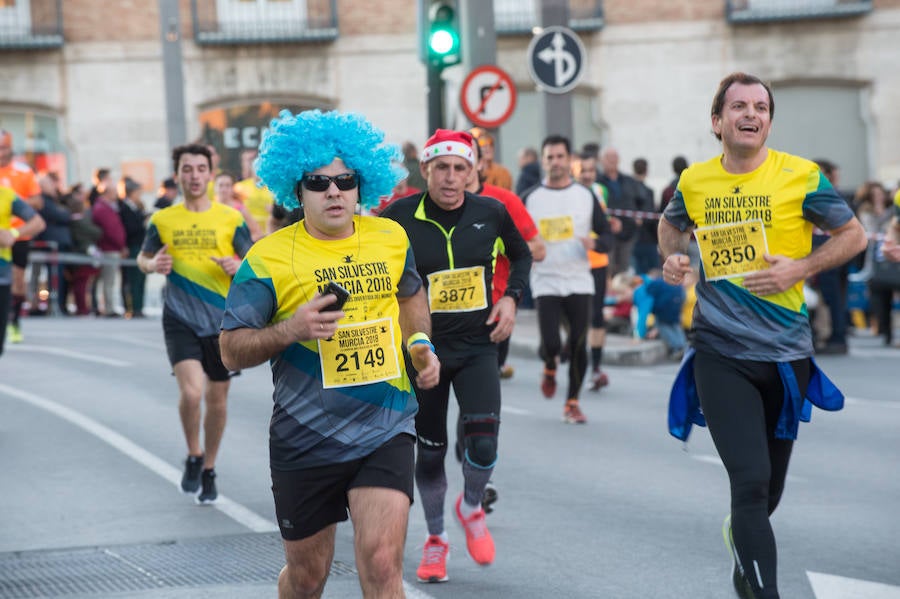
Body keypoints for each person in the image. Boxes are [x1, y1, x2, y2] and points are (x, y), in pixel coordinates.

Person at [659, 72, 867, 599]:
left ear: (769, 121)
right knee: (749, 482)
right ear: (717, 121)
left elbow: (854, 235)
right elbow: (669, 224)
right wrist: (674, 256)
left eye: (760, 107)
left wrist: (800, 268)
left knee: (766, 494)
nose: (750, 114)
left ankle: (741, 538)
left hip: (786, 356)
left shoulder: (801, 176)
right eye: (738, 106)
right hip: (719, 352)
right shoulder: (694, 181)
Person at [219, 109, 440, 599]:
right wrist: (291, 330)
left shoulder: (390, 237)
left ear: (362, 185)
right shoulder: (268, 258)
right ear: (297, 191)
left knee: (383, 564)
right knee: (307, 578)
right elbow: (231, 350)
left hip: (386, 425)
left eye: (345, 180)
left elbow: (409, 297)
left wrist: (420, 343)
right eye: (318, 182)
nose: (334, 191)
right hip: (305, 437)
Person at [381, 129, 532, 583]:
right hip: (424, 350)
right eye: (441, 168)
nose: (450, 178)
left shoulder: (492, 212)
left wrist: (511, 299)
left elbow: (521, 256)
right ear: (425, 169)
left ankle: (470, 507)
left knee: (483, 445)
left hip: (477, 345)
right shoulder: (398, 217)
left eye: (460, 168)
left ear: (474, 172)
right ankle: (436, 540)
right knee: (429, 455)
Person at [138, 143, 253, 505]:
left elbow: (253, 261)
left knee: (217, 399)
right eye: (187, 169)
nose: (194, 176)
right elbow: (142, 258)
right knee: (191, 393)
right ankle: (193, 453)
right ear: (178, 174)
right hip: (180, 316)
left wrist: (238, 267)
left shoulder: (230, 217)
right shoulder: (163, 220)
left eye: (201, 168)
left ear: (210, 173)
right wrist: (152, 264)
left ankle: (210, 467)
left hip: (220, 320)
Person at [522, 135, 614, 423]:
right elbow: (515, 239)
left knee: (577, 342)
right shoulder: (530, 198)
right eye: (550, 157)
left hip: (578, 279)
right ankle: (549, 364)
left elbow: (608, 235)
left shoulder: (586, 196)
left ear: (569, 160)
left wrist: (596, 244)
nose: (555, 162)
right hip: (545, 278)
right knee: (551, 343)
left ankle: (572, 402)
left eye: (560, 156)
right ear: (543, 161)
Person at [573, 153, 622, 391]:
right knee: (576, 317)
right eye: (583, 170)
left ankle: (595, 367)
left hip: (598, 261)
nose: (587, 175)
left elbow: (605, 223)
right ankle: (576, 359)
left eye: (591, 170)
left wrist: (612, 225)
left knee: (597, 316)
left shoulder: (600, 191)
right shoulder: (569, 195)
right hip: (574, 264)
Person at [0, 130, 42, 343]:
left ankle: (14, 321)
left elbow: (37, 202)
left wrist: (16, 204)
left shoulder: (23, 172)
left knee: (16, 281)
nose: (0, 153)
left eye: (4, 147)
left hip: (17, 235)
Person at [1, 186, 45, 355]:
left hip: (2, 273)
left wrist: (13, 233)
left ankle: (15, 323)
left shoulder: (6, 195)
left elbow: (38, 223)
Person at [598, 146, 642, 276]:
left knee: (624, 271)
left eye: (614, 157)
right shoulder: (597, 182)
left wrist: (638, 217)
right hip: (607, 233)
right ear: (602, 160)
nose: (612, 160)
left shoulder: (629, 181)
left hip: (628, 233)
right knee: (607, 270)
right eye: (608, 157)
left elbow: (641, 200)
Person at [91, 178, 126, 317]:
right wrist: (121, 245)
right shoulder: (102, 209)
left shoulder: (107, 207)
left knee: (109, 280)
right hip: (109, 249)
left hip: (112, 248)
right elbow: (111, 230)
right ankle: (109, 307)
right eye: (113, 192)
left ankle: (108, 306)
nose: (116, 195)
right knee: (108, 280)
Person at [631, 158, 660, 274]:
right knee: (653, 273)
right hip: (648, 239)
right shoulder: (648, 192)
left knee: (637, 275)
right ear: (646, 171)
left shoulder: (629, 189)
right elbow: (651, 215)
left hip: (634, 238)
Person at [215, 171, 263, 241]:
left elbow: (257, 232)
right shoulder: (208, 207)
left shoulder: (240, 209)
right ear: (214, 187)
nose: (224, 189)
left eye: (227, 185)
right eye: (220, 185)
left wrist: (244, 245)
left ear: (232, 188)